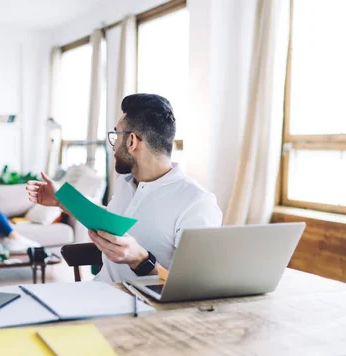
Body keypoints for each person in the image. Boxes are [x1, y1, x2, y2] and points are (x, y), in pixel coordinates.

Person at [26, 94, 222, 282]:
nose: (113, 145)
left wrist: (140, 260)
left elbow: (194, 289)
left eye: (116, 135)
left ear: (131, 141)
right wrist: (62, 200)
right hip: (100, 293)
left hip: (147, 310)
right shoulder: (125, 182)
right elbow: (112, 220)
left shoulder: (196, 203)